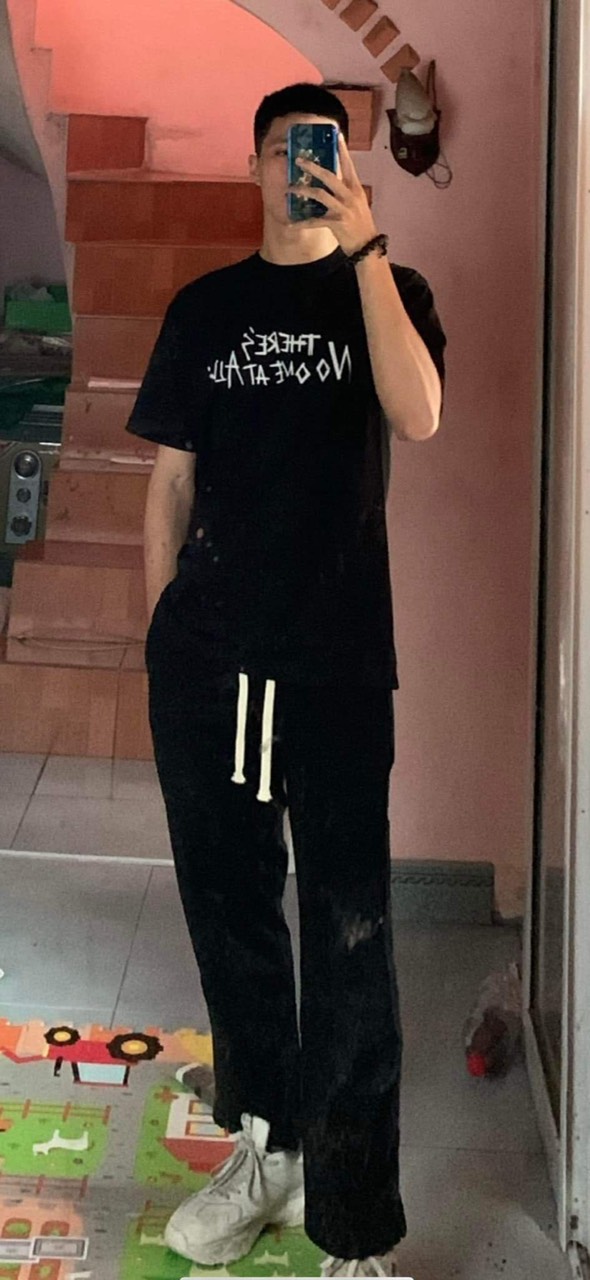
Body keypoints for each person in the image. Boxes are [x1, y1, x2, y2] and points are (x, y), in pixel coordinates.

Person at [126, 82, 446, 1280]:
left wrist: (365, 250)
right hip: (208, 664)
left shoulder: (389, 291)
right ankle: (269, 1144)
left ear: (347, 168)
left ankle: (353, 1226)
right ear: (252, 164)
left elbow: (417, 414)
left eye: (321, 152)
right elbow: (169, 481)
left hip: (336, 667)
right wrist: (164, 633)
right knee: (232, 916)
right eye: (280, 150)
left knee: (350, 935)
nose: (297, 169)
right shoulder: (205, 309)